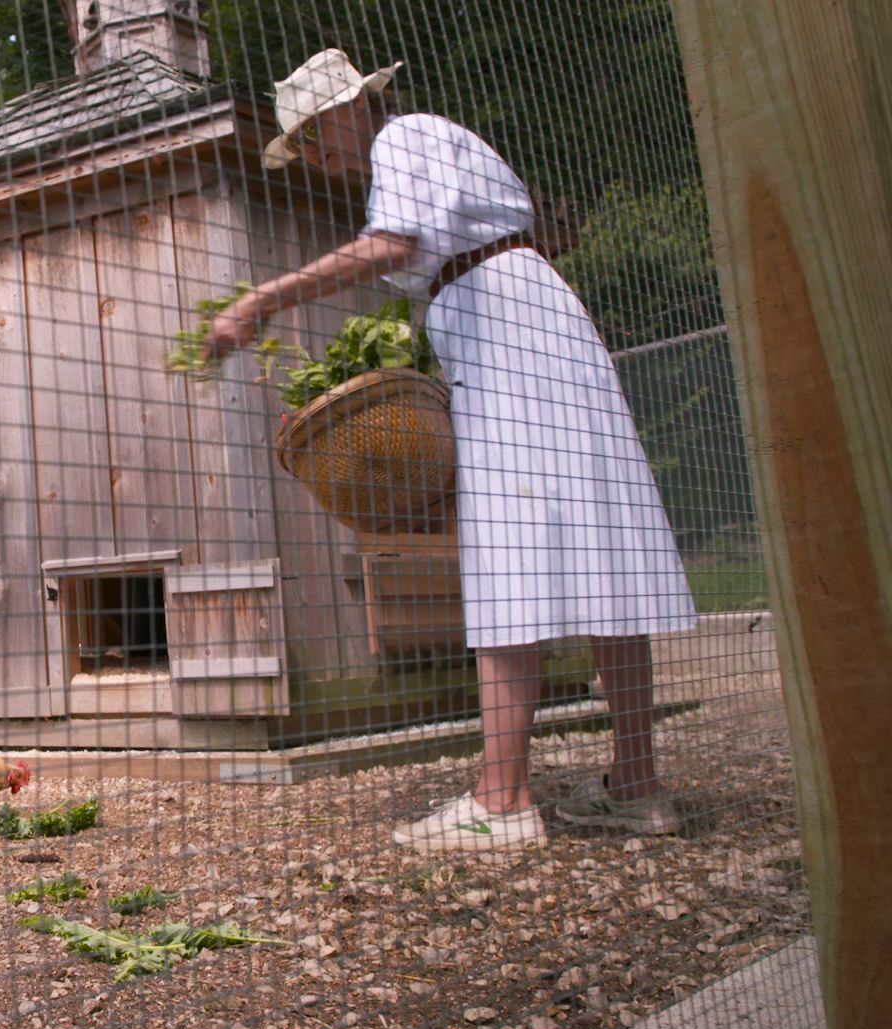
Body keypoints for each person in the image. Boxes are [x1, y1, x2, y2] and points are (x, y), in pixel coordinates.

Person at [204, 49, 698, 853]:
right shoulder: (429, 149)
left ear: (351, 109)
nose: (313, 153)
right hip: (540, 337)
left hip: (512, 348)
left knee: (508, 560)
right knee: (602, 552)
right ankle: (637, 787)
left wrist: (265, 296)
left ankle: (500, 802)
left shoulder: (404, 139)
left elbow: (394, 246)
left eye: (312, 134)